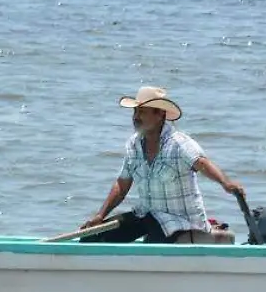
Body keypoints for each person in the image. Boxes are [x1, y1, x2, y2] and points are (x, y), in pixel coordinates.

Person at [80, 86, 244, 244]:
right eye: (135, 111)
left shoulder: (179, 144)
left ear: (160, 115)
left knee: (153, 238)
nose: (136, 117)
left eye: (142, 112)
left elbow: (202, 164)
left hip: (181, 221)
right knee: (92, 236)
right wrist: (100, 216)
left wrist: (226, 183)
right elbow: (121, 186)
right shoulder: (134, 144)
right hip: (147, 215)